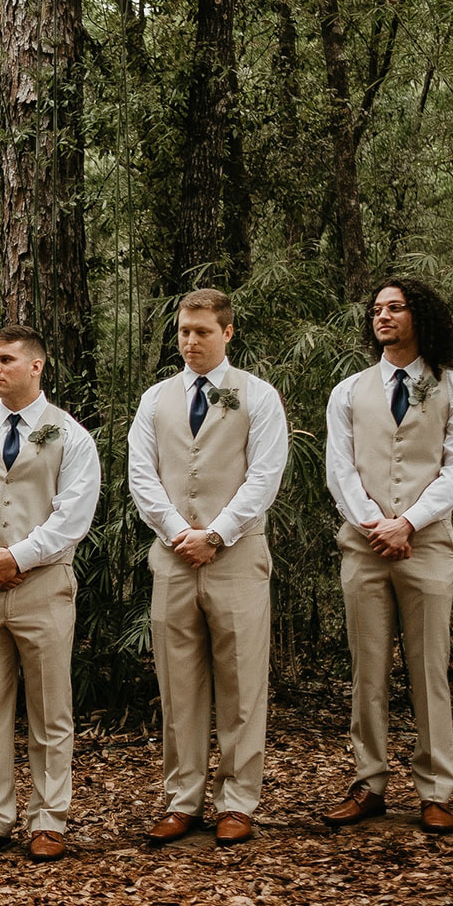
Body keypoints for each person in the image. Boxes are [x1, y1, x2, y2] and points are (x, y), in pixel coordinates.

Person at [128, 288, 288, 847]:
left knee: (243, 681)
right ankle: (182, 799)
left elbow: (265, 475)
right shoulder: (155, 399)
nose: (190, 341)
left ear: (227, 333)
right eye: (183, 331)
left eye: (201, 331)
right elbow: (141, 477)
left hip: (238, 556)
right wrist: (179, 532)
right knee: (178, 684)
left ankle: (239, 801)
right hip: (172, 559)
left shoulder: (259, 396)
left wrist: (217, 533)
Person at [321, 278, 453, 834]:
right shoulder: (348, 390)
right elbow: (339, 469)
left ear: (421, 316)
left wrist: (408, 522)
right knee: (367, 669)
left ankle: (436, 789)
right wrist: (375, 524)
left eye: (396, 307)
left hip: (428, 544)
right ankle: (369, 783)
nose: (383, 316)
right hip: (363, 546)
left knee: (428, 668)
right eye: (377, 309)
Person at [0, 325, 99, 863]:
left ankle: (49, 818)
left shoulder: (70, 435)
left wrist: (19, 557)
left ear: (36, 367)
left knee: (51, 707)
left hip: (44, 586)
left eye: (5, 359)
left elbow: (73, 514)